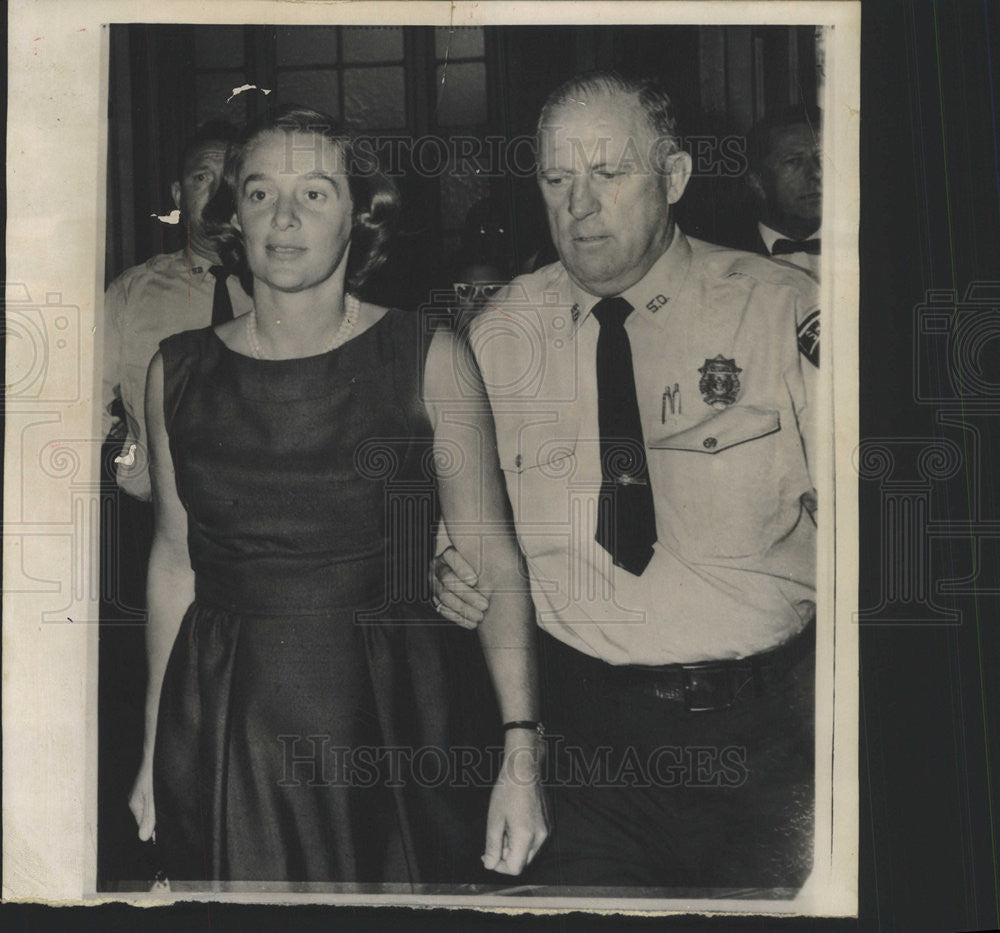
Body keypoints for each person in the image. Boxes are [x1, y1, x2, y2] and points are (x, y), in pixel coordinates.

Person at [128, 105, 547, 884]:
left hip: (384, 712)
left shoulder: (429, 357)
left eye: (315, 193)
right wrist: (155, 742)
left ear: (361, 213)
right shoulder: (174, 372)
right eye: (259, 193)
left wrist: (521, 748)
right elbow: (173, 560)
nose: (284, 217)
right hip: (225, 717)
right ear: (234, 214)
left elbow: (496, 560)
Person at [433, 72, 820, 890]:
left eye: (608, 174)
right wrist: (451, 569)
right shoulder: (497, 336)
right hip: (586, 749)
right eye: (557, 179)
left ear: (673, 178)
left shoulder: (782, 312)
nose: (579, 205)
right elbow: (469, 544)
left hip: (773, 743)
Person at [733, 104, 823, 277]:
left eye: (823, 158)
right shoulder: (726, 253)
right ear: (757, 181)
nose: (817, 173)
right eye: (794, 161)